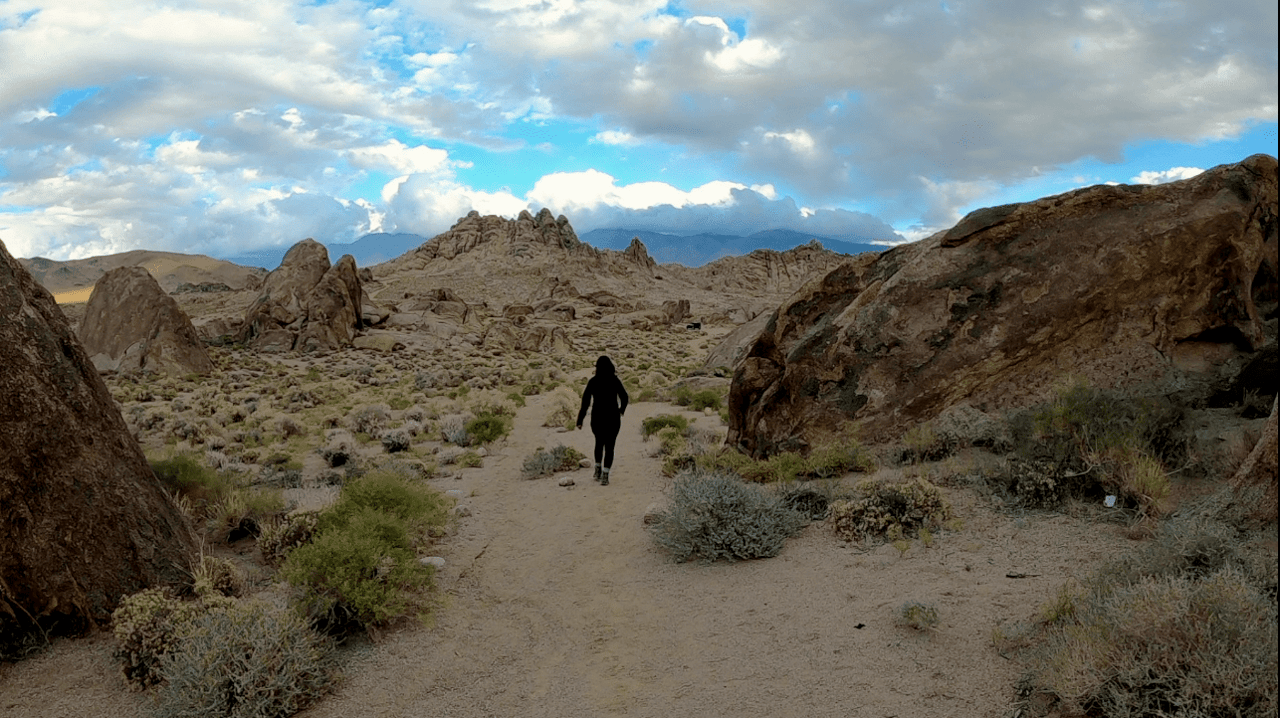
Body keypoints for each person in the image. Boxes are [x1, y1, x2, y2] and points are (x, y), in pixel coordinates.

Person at [576, 355, 629, 485]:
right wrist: (621, 410)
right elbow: (625, 397)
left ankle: (597, 469)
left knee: (599, 443)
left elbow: (585, 402)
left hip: (597, 417)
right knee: (610, 446)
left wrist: (580, 419)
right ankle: (605, 475)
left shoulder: (593, 381)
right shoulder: (615, 381)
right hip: (613, 418)